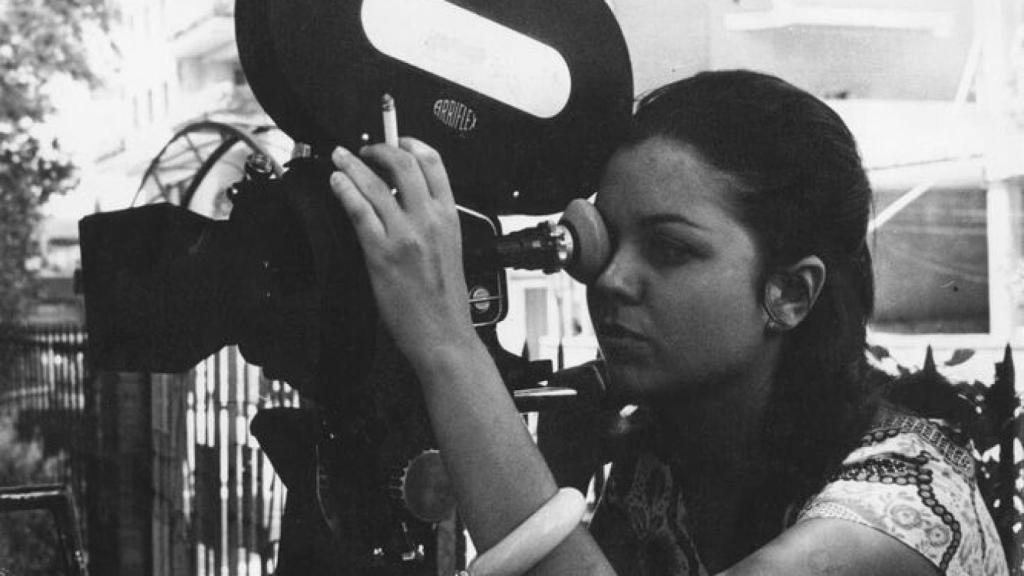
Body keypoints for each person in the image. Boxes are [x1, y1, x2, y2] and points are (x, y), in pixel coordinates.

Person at [327, 70, 1009, 575]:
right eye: (606, 240)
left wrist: (448, 344)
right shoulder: (663, 462)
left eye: (671, 249)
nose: (614, 279)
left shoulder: (900, 511)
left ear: (791, 294)